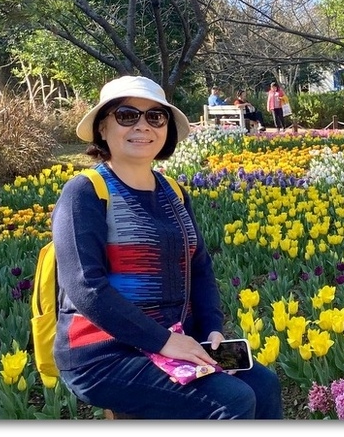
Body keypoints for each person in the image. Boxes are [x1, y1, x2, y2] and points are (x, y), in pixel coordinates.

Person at [51, 75, 283, 419]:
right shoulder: (85, 192)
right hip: (105, 354)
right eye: (127, 115)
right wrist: (162, 341)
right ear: (102, 128)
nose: (142, 126)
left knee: (264, 386)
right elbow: (86, 289)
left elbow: (199, 266)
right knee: (231, 402)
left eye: (155, 117)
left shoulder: (172, 190)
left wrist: (211, 330)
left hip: (178, 342)